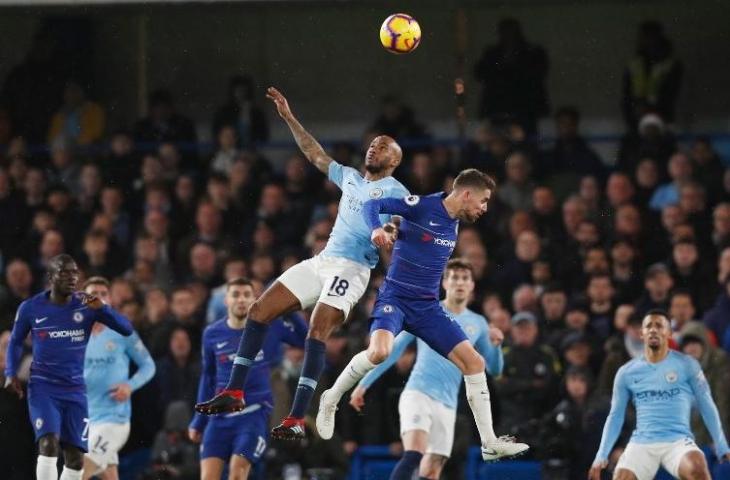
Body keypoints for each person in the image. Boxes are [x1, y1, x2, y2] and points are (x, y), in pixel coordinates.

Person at [194, 87, 409, 436]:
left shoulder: (396, 191)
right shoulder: (351, 178)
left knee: (317, 329)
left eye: (383, 146)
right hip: (322, 261)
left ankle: (296, 418)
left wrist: (387, 230)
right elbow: (314, 154)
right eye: (373, 144)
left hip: (352, 270)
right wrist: (289, 118)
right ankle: (234, 391)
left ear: (394, 160)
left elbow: (396, 222)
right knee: (258, 311)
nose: (374, 148)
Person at [316, 169, 528, 461]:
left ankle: (490, 442)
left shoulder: (454, 222)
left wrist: (393, 229)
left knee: (474, 362)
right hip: (396, 298)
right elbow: (372, 206)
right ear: (467, 193)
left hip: (428, 307)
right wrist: (377, 228)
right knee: (379, 352)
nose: (484, 208)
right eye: (483, 200)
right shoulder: (422, 205)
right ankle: (331, 398)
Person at [348, 258, 504, 480]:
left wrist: (497, 347)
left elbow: (494, 370)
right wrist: (363, 385)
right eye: (454, 277)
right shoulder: (426, 311)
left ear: (472, 285)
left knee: (431, 472)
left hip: (448, 404)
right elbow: (393, 351)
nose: (459, 282)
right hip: (418, 393)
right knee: (413, 453)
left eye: (464, 278)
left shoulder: (478, 323)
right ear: (444, 283)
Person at [3, 254, 133, 480]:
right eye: (65, 273)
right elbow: (15, 341)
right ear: (51, 276)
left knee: (75, 459)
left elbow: (127, 329)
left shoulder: (87, 305)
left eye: (75, 273)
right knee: (49, 443)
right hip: (43, 387)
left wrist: (102, 308)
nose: (72, 278)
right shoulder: (31, 308)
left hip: (74, 390)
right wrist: (10, 372)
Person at [188, 277, 307, 480]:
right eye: (235, 295)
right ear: (226, 300)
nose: (241, 300)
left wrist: (289, 310)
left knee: (237, 474)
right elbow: (208, 377)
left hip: (253, 415)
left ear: (254, 299)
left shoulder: (271, 327)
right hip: (219, 418)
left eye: (246, 295)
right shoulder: (212, 334)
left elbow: (305, 341)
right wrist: (198, 421)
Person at [589, 310, 730, 480]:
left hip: (677, 441)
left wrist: (722, 444)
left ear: (669, 333)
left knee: (697, 467)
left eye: (659, 326)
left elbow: (707, 406)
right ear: (642, 333)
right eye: (649, 326)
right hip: (642, 442)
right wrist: (602, 454)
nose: (654, 330)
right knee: (622, 476)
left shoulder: (688, 366)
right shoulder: (626, 372)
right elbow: (615, 416)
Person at [81, 277, 156, 480]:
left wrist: (130, 386)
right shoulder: (75, 335)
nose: (98, 298)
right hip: (86, 419)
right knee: (110, 476)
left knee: (78, 472)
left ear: (111, 299)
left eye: (103, 294)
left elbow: (148, 365)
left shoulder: (122, 331)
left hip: (114, 419)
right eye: (93, 293)